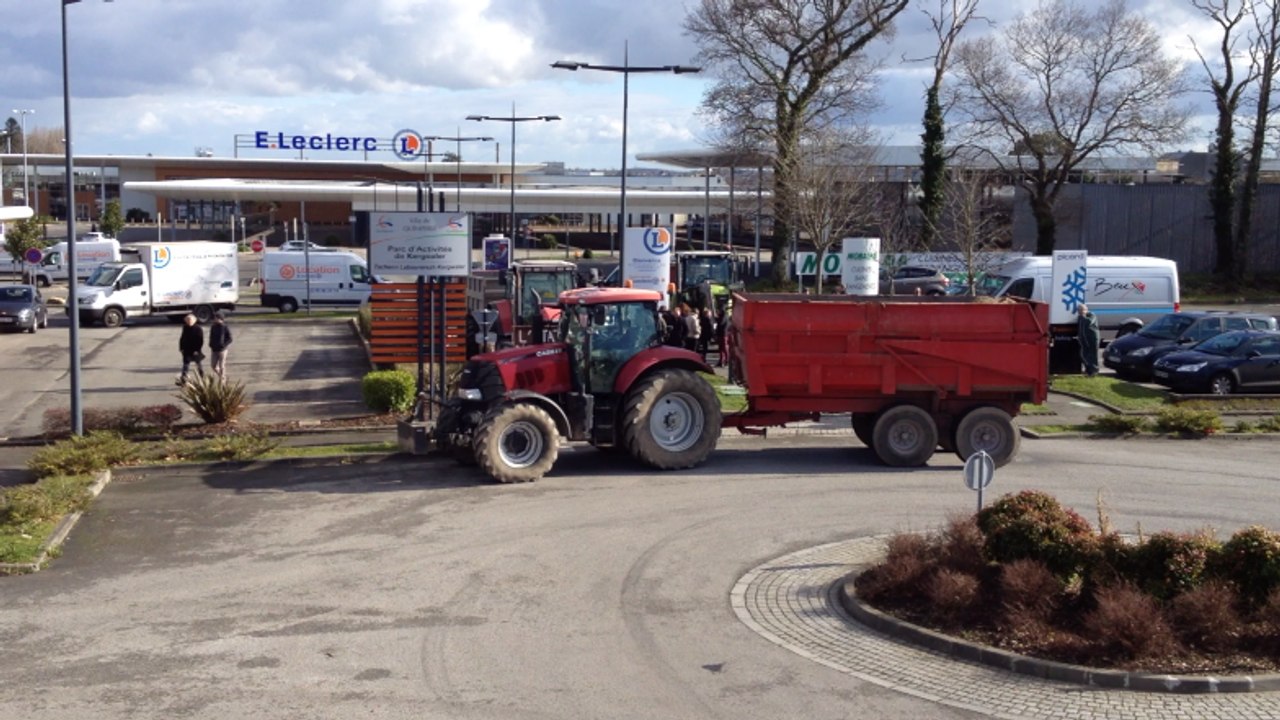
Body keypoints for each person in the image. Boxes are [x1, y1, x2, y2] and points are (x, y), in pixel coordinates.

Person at [177, 314, 205, 385]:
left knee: (199, 365)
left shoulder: (198, 329)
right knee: (185, 366)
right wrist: (181, 348)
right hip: (187, 350)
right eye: (187, 320)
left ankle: (203, 378)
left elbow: (200, 341)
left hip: (195, 350)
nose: (189, 322)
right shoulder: (185, 327)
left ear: (194, 321)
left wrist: (197, 350)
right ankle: (183, 380)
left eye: (190, 320)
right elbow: (182, 338)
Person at [209, 311, 233, 380]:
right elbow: (211, 336)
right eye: (214, 318)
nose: (215, 319)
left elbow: (230, 338)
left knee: (221, 365)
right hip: (214, 349)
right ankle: (221, 376)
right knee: (213, 365)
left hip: (222, 350)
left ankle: (222, 380)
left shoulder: (225, 327)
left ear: (221, 319)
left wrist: (224, 345)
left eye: (216, 318)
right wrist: (211, 344)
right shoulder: (213, 327)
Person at [1078, 303, 1101, 376]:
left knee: (1093, 354)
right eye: (1079, 310)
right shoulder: (1080, 317)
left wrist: (1083, 315)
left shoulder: (1091, 315)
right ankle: (1088, 369)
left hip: (1092, 338)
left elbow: (1088, 322)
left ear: (1086, 310)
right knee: (1084, 354)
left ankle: (1094, 370)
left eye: (1082, 310)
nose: (1081, 311)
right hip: (1084, 339)